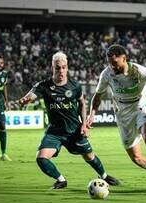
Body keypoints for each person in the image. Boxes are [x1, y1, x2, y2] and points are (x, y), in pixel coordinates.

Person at [87, 44, 146, 195]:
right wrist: (92, 114)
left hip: (140, 107)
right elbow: (98, 96)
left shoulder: (139, 71)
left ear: (124, 58)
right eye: (109, 63)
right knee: (136, 158)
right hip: (122, 114)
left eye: (115, 63)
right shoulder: (107, 74)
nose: (112, 66)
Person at [18, 52, 119, 189]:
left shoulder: (75, 86)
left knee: (89, 157)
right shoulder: (44, 85)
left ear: (67, 67)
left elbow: (82, 104)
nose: (61, 71)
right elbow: (32, 94)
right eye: (58, 68)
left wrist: (84, 124)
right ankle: (61, 180)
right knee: (41, 158)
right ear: (52, 67)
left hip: (74, 130)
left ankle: (104, 176)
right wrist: (26, 99)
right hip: (55, 132)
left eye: (64, 67)